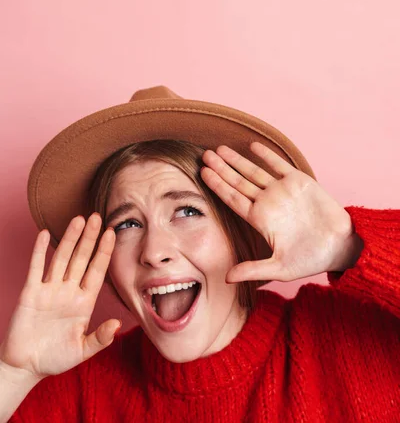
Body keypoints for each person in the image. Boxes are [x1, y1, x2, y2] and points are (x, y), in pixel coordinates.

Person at [0, 86, 399, 422]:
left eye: (187, 212)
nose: (154, 252)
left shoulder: (342, 338)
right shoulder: (78, 388)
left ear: (238, 232)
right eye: (127, 224)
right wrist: (13, 375)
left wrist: (347, 245)